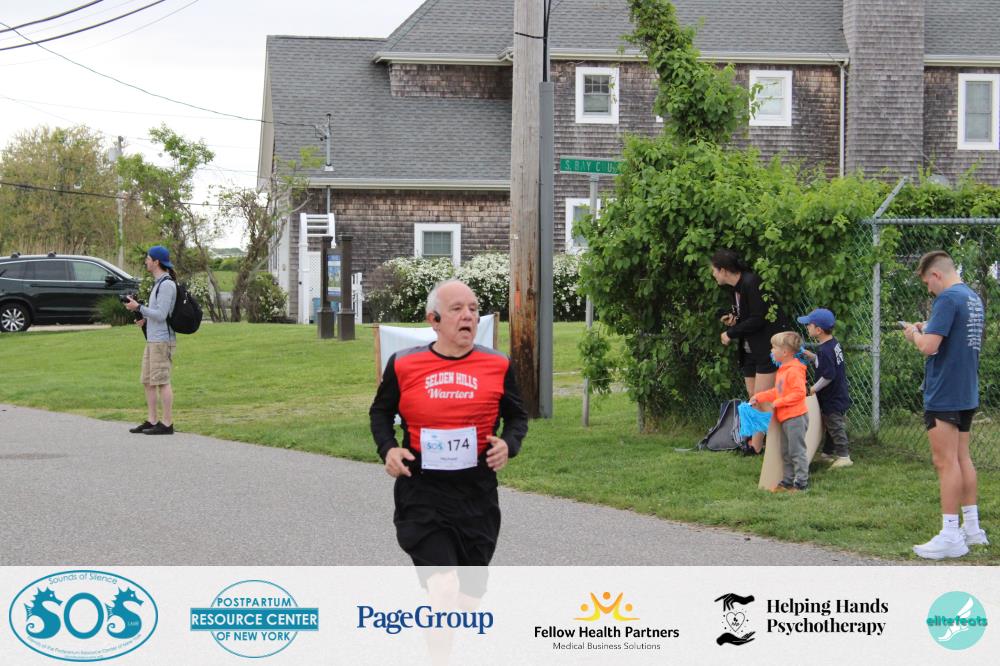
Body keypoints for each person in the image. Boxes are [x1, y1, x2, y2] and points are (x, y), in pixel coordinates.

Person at [369, 279, 528, 599]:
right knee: (444, 587)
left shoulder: (498, 364)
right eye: (457, 309)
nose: (468, 315)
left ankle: (454, 631)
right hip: (422, 490)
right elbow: (380, 412)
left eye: (473, 309)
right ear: (434, 320)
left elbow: (517, 416)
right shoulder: (403, 364)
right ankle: (441, 630)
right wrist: (389, 449)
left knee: (469, 598)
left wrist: (508, 445)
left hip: (477, 494)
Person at [903, 251, 988, 559]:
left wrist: (914, 334)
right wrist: (929, 325)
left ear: (936, 275)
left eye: (928, 283)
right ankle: (973, 529)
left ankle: (951, 534)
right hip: (966, 390)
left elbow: (929, 347)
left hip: (945, 391)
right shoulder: (971, 298)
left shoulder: (947, 299)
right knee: (962, 458)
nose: (929, 290)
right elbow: (956, 331)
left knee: (945, 462)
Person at [710, 249, 790, 454]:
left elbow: (758, 318)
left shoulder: (751, 282)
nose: (713, 274)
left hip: (765, 348)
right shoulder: (735, 289)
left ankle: (783, 444)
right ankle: (755, 446)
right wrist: (733, 320)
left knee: (763, 398)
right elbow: (746, 316)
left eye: (714, 270)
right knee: (754, 396)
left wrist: (731, 333)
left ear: (724, 270)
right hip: (749, 349)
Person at [124, 245, 177, 436]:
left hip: (162, 341)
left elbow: (162, 315)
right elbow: (157, 313)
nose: (145, 261)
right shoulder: (158, 283)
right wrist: (144, 318)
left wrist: (139, 307)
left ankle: (167, 423)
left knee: (162, 381)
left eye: (148, 258)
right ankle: (152, 420)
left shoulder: (167, 285)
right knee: (147, 381)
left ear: (156, 262)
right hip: (153, 340)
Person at [750, 331, 809, 491]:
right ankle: (787, 482)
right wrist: (759, 397)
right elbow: (778, 391)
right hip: (786, 417)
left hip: (795, 417)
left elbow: (799, 393)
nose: (771, 350)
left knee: (796, 451)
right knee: (786, 452)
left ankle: (801, 484)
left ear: (785, 352)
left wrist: (779, 402)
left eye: (774, 347)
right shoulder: (783, 369)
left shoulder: (794, 370)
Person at [798, 308, 853, 468]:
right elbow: (828, 364)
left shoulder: (825, 350)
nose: (807, 327)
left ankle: (844, 456)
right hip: (837, 393)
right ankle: (827, 454)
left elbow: (828, 375)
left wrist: (813, 388)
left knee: (835, 426)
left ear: (819, 330)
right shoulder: (832, 344)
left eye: (809, 325)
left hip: (832, 397)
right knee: (829, 425)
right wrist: (814, 357)